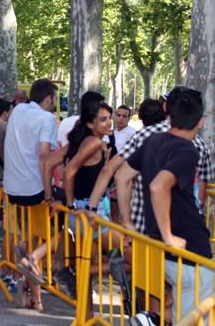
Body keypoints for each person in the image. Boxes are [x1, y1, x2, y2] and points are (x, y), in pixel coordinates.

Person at [118, 87, 214, 321]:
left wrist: (128, 222)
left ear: (168, 115)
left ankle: (151, 319)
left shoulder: (154, 140)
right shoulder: (187, 150)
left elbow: (122, 177)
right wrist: (169, 235)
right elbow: (158, 187)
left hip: (161, 245)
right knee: (197, 314)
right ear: (201, 121)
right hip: (188, 246)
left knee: (187, 307)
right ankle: (151, 319)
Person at [62, 101, 129, 321]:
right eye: (104, 119)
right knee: (133, 254)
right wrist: (72, 205)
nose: (110, 122)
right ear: (91, 123)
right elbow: (69, 169)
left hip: (93, 211)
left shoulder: (96, 142)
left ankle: (87, 313)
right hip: (90, 214)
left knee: (93, 262)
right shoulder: (92, 142)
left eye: (110, 117)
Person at [3, 78, 59, 311]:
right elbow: (44, 156)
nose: (55, 103)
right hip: (35, 190)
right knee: (56, 235)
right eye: (55, 98)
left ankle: (33, 298)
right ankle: (31, 254)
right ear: (48, 98)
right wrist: (49, 195)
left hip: (12, 188)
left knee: (31, 237)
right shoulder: (48, 119)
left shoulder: (17, 111)